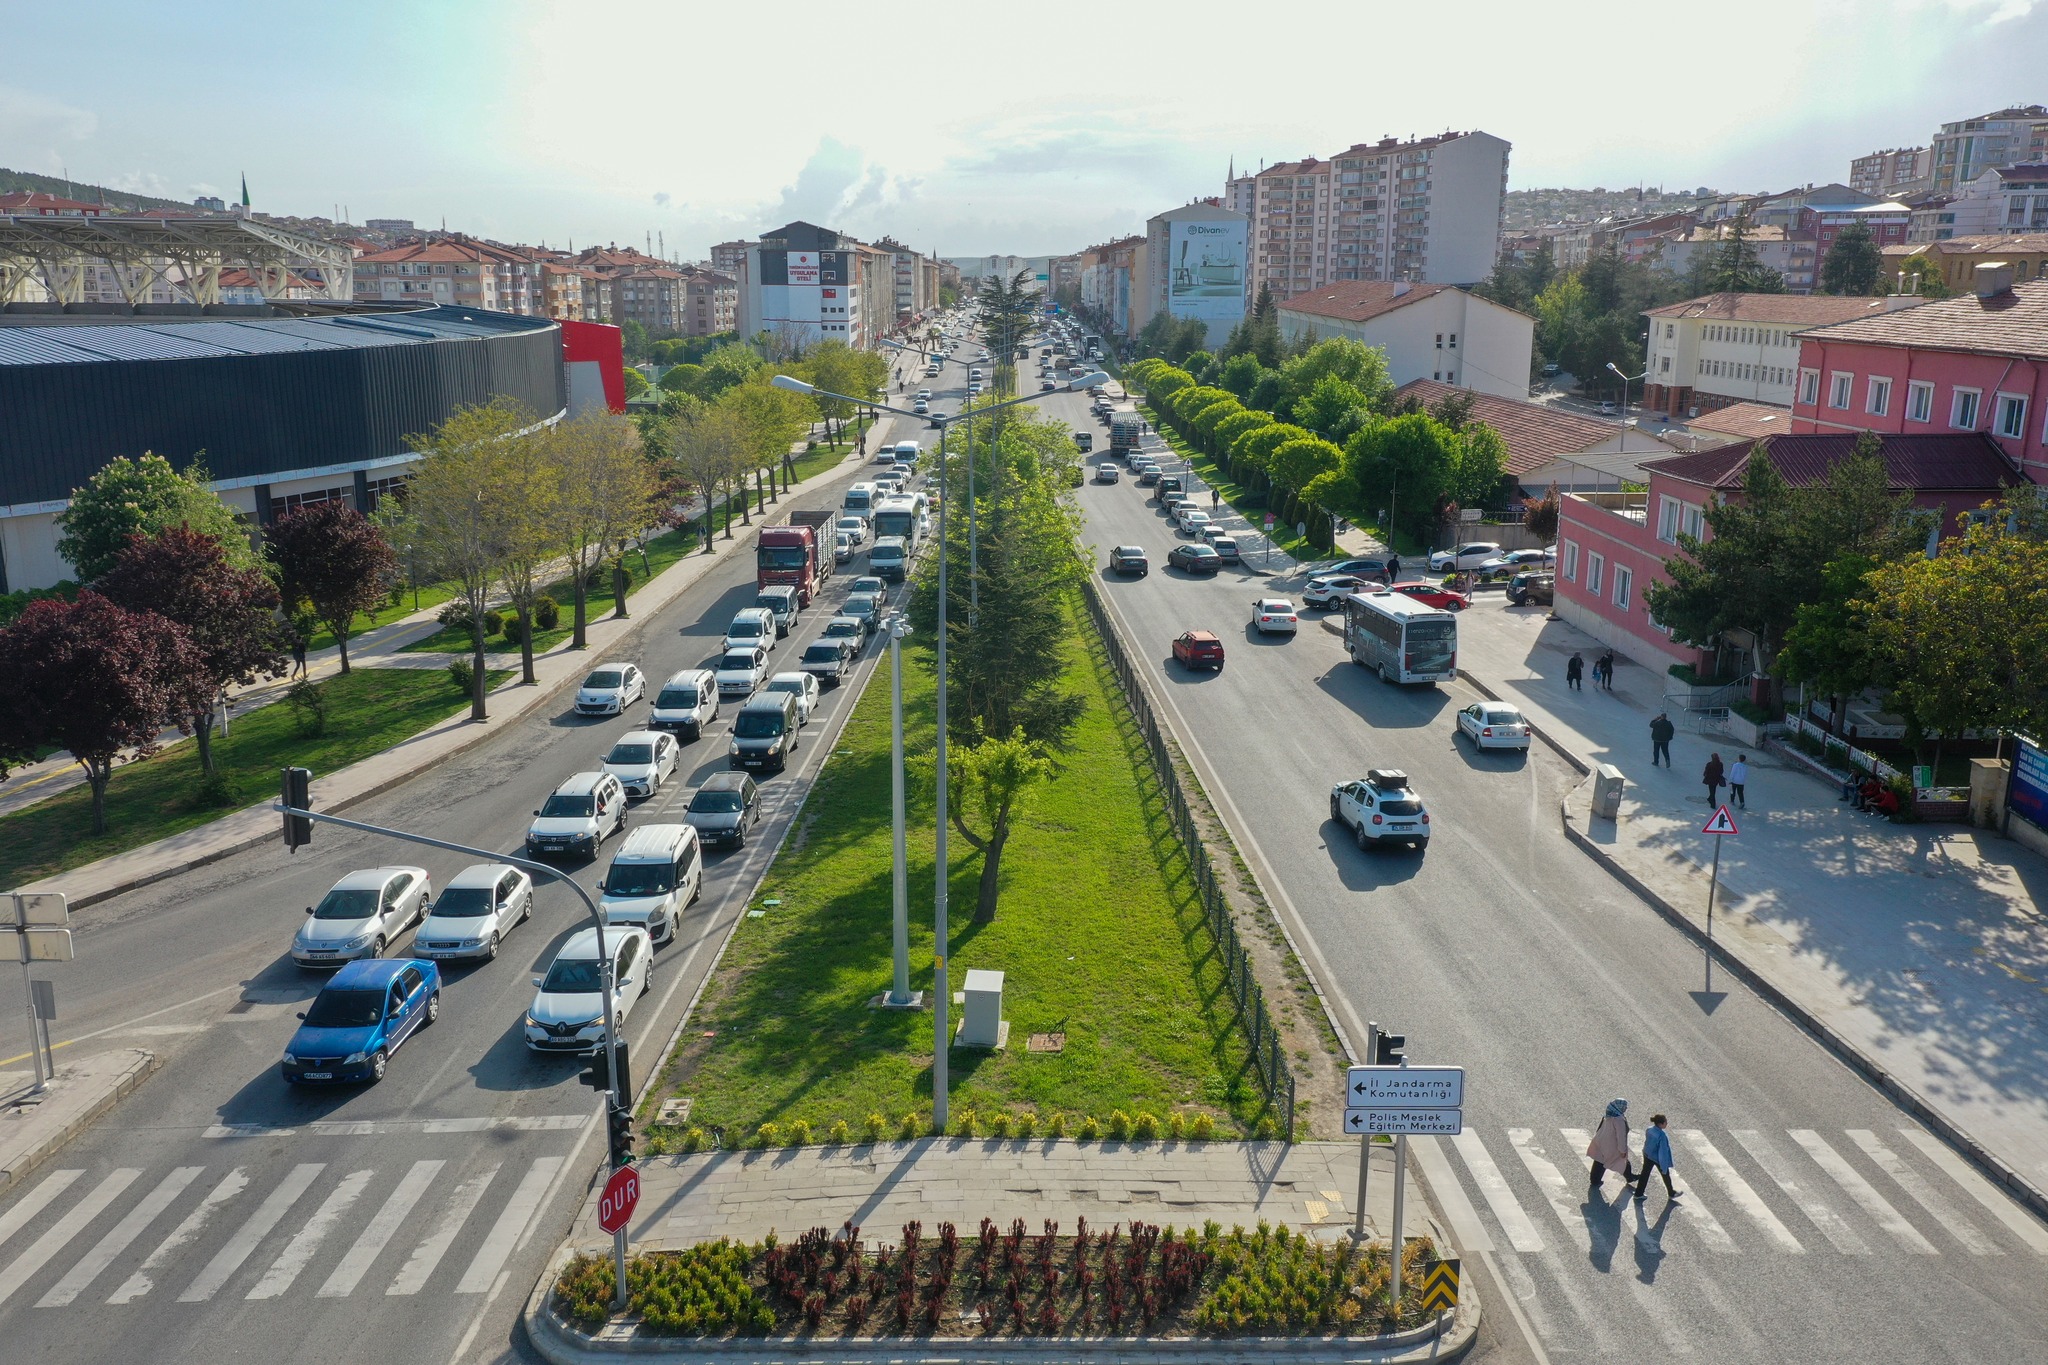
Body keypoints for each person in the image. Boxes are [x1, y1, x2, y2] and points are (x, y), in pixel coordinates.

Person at [1586, 1098, 1634, 1189]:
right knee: (1622, 1161)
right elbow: (1621, 1136)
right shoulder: (1619, 1120)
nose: (1626, 1108)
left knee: (1599, 1161)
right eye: (1624, 1106)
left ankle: (1594, 1180)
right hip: (1611, 1145)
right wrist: (1622, 1150)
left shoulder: (1608, 1115)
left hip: (1601, 1141)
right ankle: (1630, 1177)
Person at [1634, 1114, 1680, 1203]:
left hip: (1647, 1154)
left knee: (1645, 1174)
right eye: (1665, 1122)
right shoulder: (1662, 1135)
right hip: (1657, 1158)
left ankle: (1638, 1193)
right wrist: (1664, 1165)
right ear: (1661, 1124)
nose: (1667, 1123)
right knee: (1665, 1175)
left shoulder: (1649, 1129)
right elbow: (1662, 1152)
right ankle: (1671, 1193)